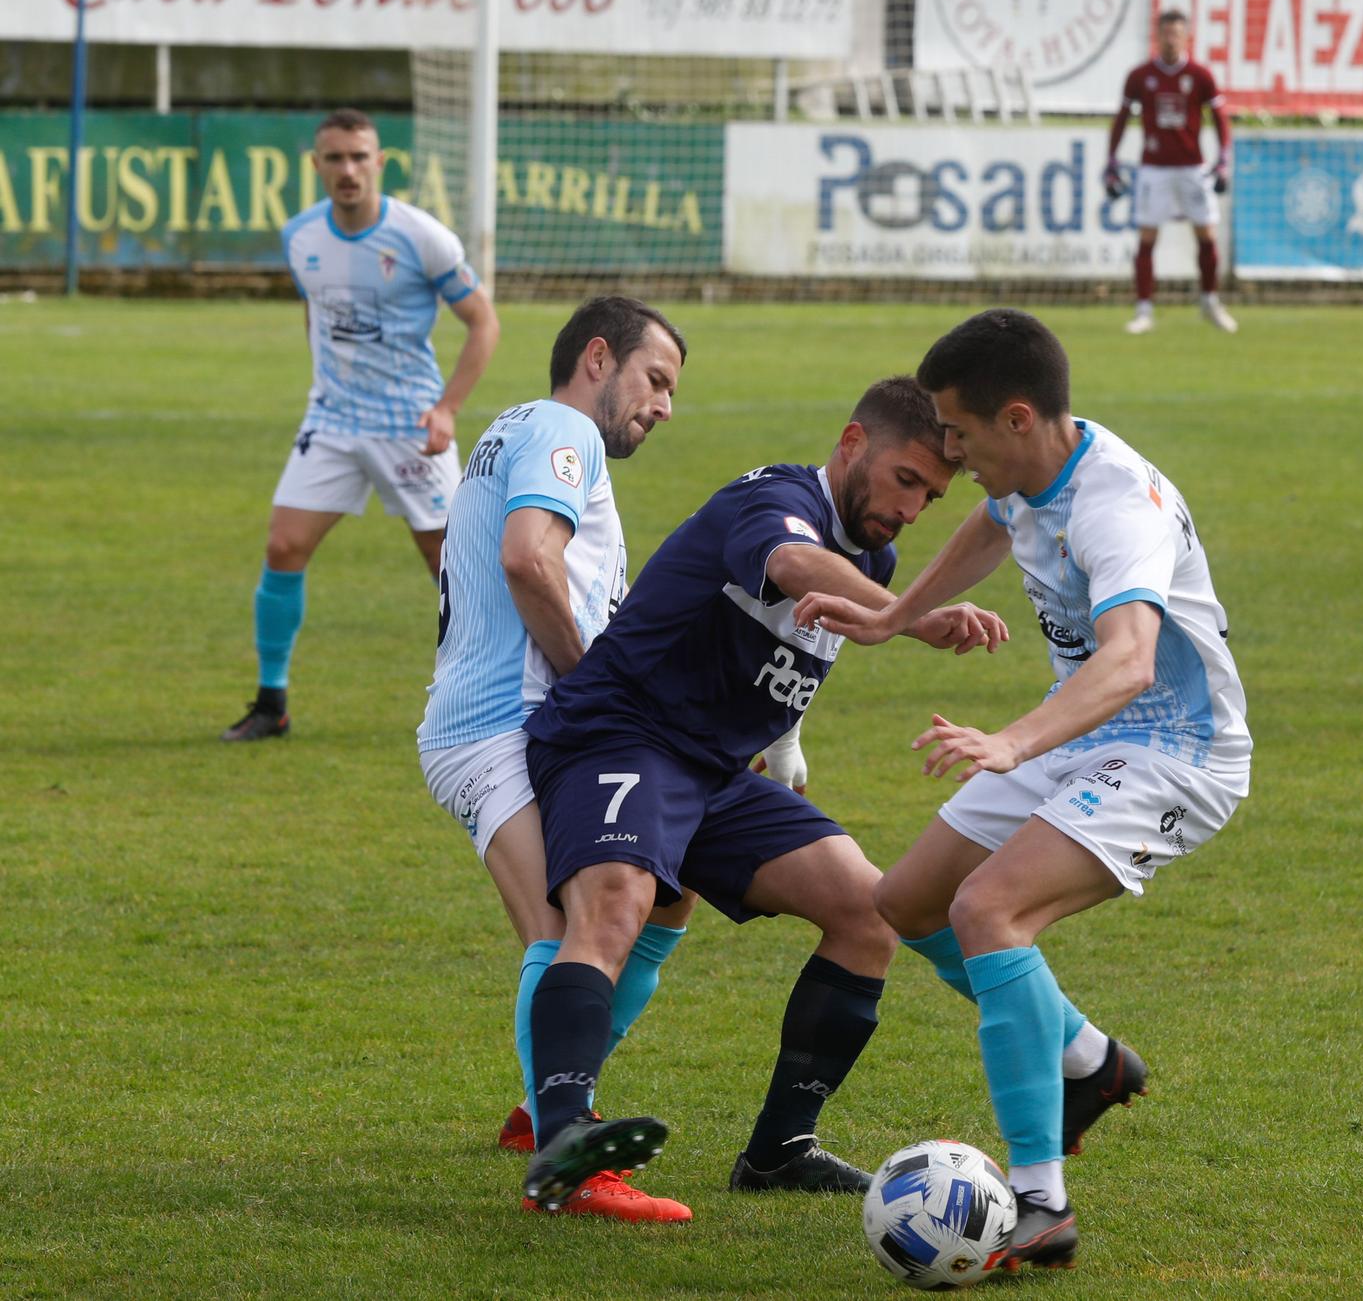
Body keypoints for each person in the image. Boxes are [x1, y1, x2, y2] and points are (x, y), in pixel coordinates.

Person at [793, 308, 1254, 1273]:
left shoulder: (1112, 504)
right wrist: (892, 617)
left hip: (1176, 750)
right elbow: (991, 526)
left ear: (1015, 418)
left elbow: (1129, 660)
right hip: (1082, 731)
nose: (948, 452)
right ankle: (1087, 1061)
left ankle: (1040, 1203)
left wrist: (1012, 739)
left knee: (986, 910)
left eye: (956, 432)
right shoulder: (1029, 474)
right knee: (905, 900)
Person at [515, 379, 1008, 1212]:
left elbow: (787, 651)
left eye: (932, 493)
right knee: (618, 901)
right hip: (620, 733)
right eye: (906, 479)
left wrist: (785, 746)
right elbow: (789, 564)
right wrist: (909, 614)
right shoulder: (775, 499)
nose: (915, 507)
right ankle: (561, 1135)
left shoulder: (872, 557)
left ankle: (780, 1149)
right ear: (853, 442)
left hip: (714, 773)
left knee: (870, 910)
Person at [418, 296, 705, 1222]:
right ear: (597, 357)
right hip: (498, 724)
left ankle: (541, 1107)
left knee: (664, 895)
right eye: (655, 380)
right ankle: (566, 1147)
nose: (663, 405)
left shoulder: (523, 431)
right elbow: (528, 561)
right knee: (567, 924)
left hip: (518, 718)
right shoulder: (558, 428)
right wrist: (597, 689)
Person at [224, 107, 500, 742]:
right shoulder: (300, 237)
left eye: (358, 157)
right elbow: (316, 311)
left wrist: (448, 408)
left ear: (379, 163)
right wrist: (324, 380)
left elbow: (483, 323)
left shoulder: (421, 237)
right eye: (334, 158)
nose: (347, 170)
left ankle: (493, 700)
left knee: (452, 568)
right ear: (316, 165)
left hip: (410, 424)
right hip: (334, 420)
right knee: (283, 547)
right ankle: (272, 703)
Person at [1105, 8, 1236, 336]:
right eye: (1166, 33)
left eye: (1177, 33)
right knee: (1147, 237)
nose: (1171, 39)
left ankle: (1209, 301)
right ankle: (1144, 309)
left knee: (1207, 235)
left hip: (1192, 168)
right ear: (1158, 35)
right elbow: (1121, 118)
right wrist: (1111, 159)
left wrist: (1223, 159)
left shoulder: (1200, 75)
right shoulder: (1140, 76)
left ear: (1187, 36)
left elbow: (1221, 119)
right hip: (1154, 169)